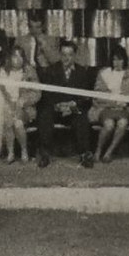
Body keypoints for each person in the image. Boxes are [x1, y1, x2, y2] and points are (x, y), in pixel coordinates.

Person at [35, 39, 97, 169]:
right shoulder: (52, 70)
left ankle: (85, 154)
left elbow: (86, 97)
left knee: (82, 117)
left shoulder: (81, 72)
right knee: (45, 114)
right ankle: (45, 153)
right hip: (56, 108)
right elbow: (46, 94)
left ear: (74, 55)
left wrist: (73, 106)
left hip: (73, 109)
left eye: (69, 55)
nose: (66, 58)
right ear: (59, 54)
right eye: (63, 54)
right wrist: (57, 105)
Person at [90, 45, 129, 163]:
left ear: (124, 60)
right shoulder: (104, 73)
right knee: (108, 125)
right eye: (114, 59)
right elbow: (97, 93)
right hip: (105, 107)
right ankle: (98, 151)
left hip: (124, 107)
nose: (117, 63)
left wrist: (125, 99)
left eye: (120, 59)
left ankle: (109, 152)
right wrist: (111, 102)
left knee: (122, 123)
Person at [0, 47, 39, 164]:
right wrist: (6, 102)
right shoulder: (2, 72)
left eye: (20, 56)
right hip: (6, 107)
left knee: (17, 122)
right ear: (9, 58)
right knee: (9, 120)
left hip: (23, 108)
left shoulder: (29, 71)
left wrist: (23, 100)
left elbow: (37, 92)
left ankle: (24, 150)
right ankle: (10, 152)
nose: (18, 59)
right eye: (15, 56)